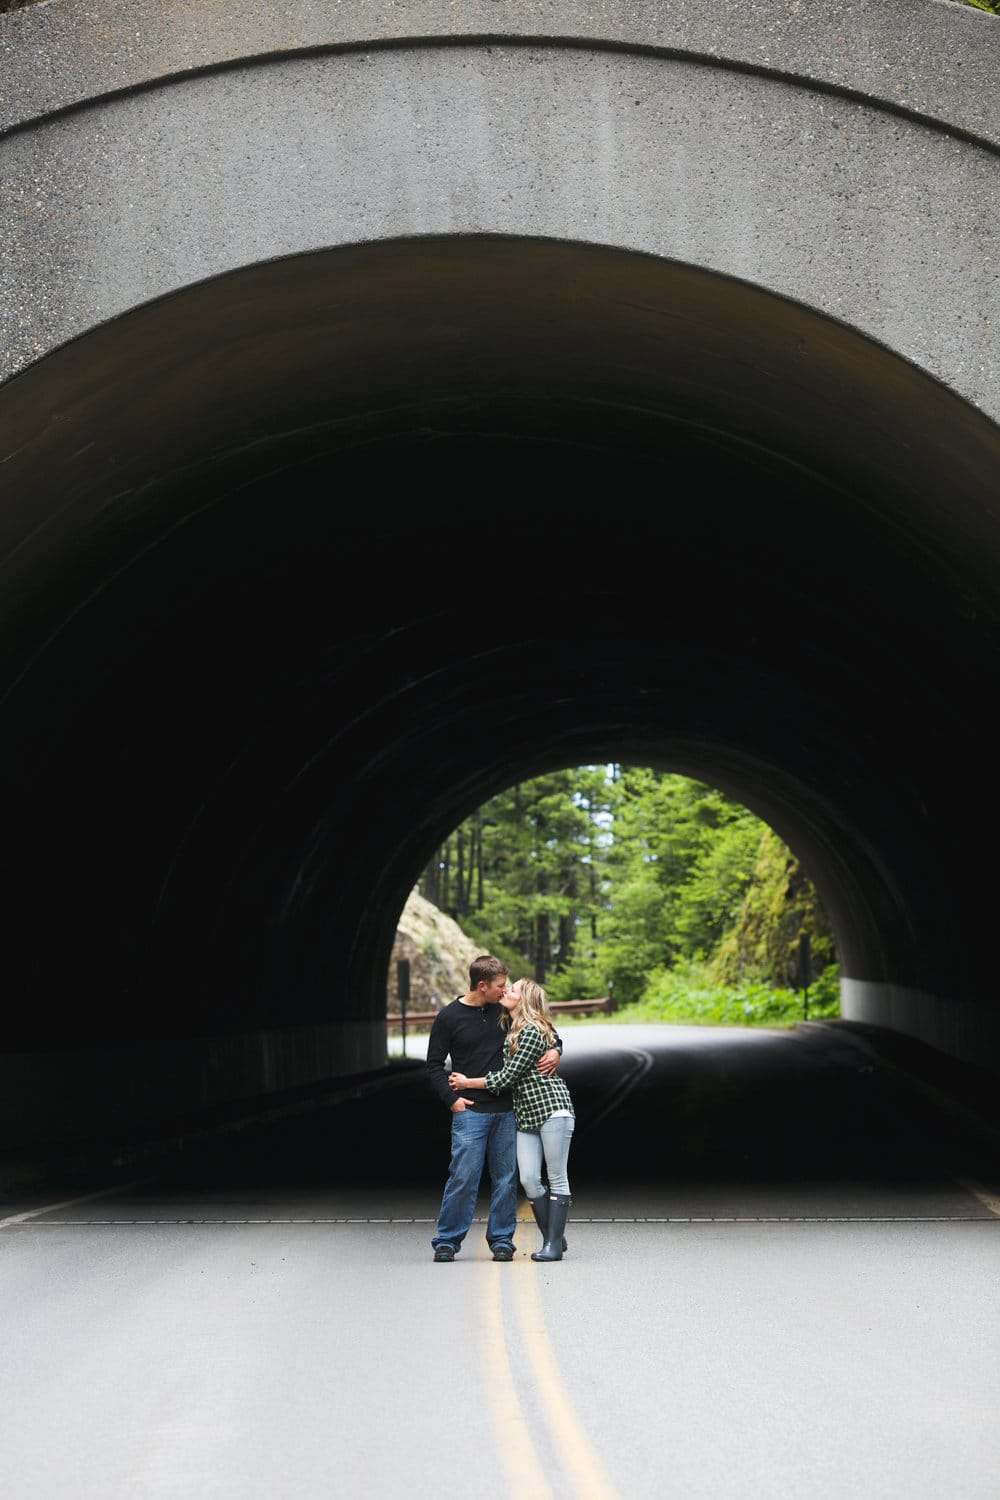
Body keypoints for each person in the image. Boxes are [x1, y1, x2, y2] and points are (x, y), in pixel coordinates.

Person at [426, 955, 562, 1264]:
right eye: (500, 986)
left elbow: (545, 1032)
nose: (505, 991)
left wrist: (556, 1050)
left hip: (507, 1110)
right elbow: (433, 1065)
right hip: (470, 1112)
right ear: (482, 985)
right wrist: (452, 1100)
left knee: (506, 1179)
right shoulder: (450, 1017)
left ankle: (502, 1240)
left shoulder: (507, 1011)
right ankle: (447, 1240)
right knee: (463, 1176)